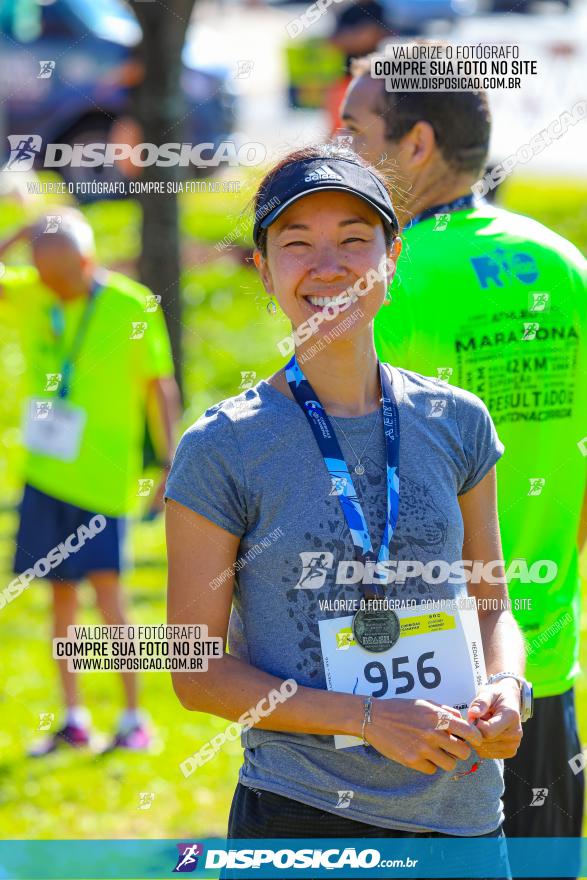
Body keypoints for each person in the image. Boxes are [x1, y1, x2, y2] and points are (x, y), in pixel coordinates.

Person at [166, 144, 529, 865]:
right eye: (296, 244)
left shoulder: (457, 421)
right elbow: (196, 671)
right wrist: (368, 719)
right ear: (265, 270)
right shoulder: (222, 446)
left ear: (390, 262)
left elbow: (491, 606)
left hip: (463, 815)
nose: (326, 266)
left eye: (353, 242)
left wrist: (507, 686)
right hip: (304, 821)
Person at [339, 57, 587, 840]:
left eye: (353, 131)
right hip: (541, 670)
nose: (339, 150)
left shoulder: (389, 277)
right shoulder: (564, 264)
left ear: (415, 145)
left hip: (420, 690)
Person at [0, 210, 180, 754]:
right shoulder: (35, 292)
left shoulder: (130, 306)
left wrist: (169, 463)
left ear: (88, 261)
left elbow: (159, 387)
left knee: (110, 600)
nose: (52, 289)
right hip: (45, 474)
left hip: (105, 479)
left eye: (61, 278)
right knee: (59, 600)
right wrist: (28, 231)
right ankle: (74, 720)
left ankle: (131, 719)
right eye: (43, 276)